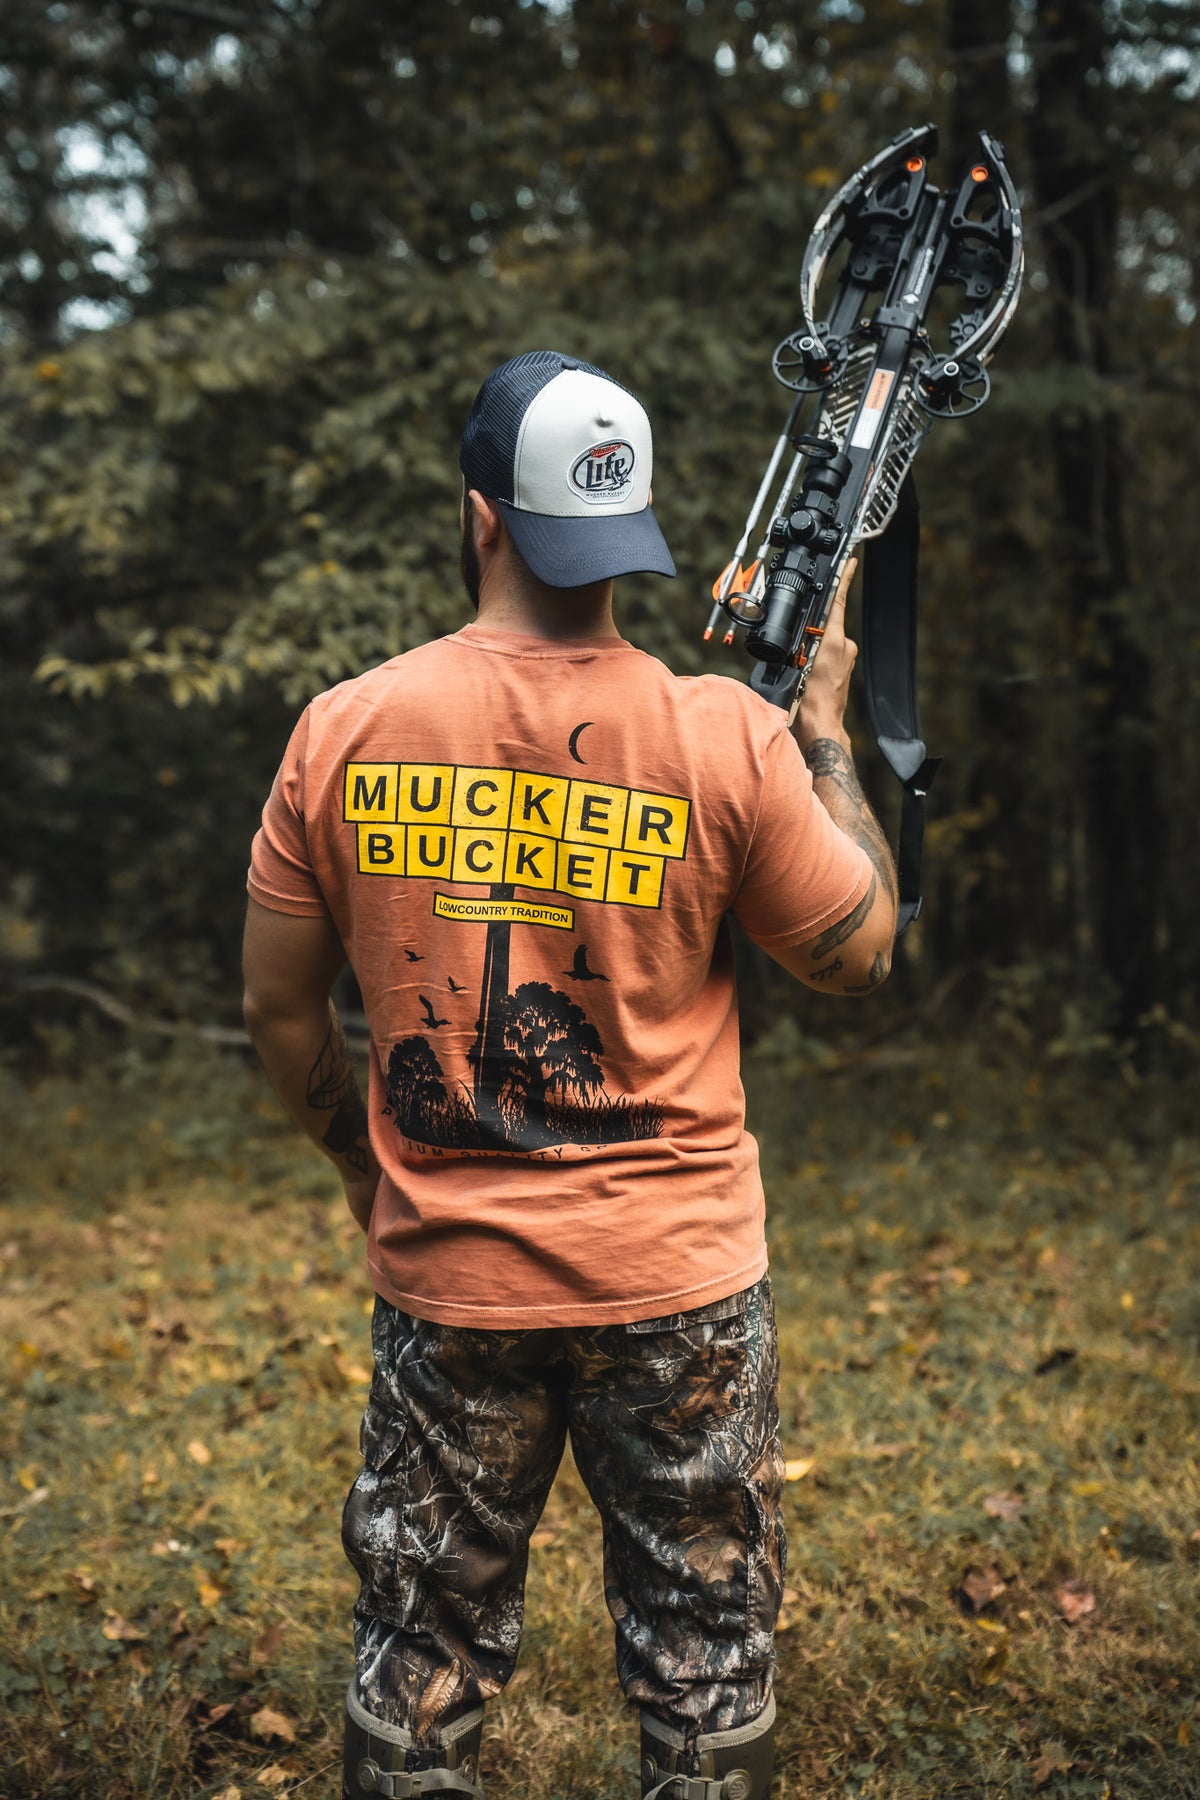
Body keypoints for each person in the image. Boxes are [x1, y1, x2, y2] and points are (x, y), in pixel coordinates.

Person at [242, 349, 897, 1800]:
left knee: (419, 1649)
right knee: (707, 1651)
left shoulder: (345, 731)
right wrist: (828, 741)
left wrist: (368, 1170)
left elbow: (282, 1012)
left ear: (483, 516)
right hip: (681, 1291)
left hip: (449, 1281)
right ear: (630, 526)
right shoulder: (725, 735)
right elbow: (859, 953)